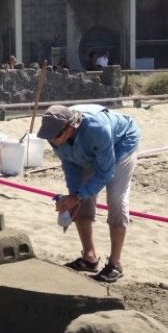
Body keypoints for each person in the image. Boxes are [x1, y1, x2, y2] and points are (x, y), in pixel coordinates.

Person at [37, 104, 141, 284]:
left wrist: (77, 196)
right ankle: (89, 258)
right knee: (80, 197)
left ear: (69, 128)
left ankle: (115, 264)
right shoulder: (53, 136)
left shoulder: (96, 129)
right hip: (90, 149)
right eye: (49, 137)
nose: (52, 141)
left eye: (55, 137)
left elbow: (106, 172)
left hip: (121, 141)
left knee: (116, 198)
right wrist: (74, 196)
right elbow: (69, 164)